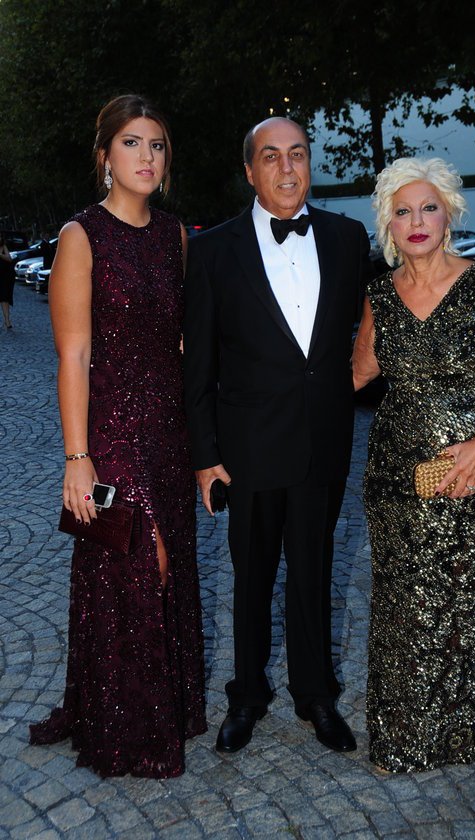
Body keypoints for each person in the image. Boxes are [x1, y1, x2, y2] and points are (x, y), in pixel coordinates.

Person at [29, 94, 206, 777]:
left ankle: (162, 706)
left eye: (156, 144)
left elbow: (180, 340)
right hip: (111, 429)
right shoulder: (81, 235)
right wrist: (77, 457)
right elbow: (73, 354)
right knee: (137, 560)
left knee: (171, 563)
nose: (146, 156)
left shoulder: (174, 235)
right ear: (104, 155)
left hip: (169, 429)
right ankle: (124, 723)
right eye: (132, 143)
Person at [183, 117, 372, 754]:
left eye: (297, 154)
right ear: (250, 171)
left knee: (314, 571)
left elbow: (375, 324)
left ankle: (316, 694)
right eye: (271, 156)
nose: (287, 168)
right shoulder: (213, 250)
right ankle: (247, 694)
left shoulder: (347, 237)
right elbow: (198, 366)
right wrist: (205, 456)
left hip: (324, 439)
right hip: (249, 446)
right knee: (252, 576)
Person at [352, 157, 475, 773]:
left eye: (428, 207)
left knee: (466, 599)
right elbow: (355, 374)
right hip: (397, 476)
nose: (417, 220)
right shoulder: (379, 295)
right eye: (403, 211)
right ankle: (403, 739)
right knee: (403, 602)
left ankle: (468, 732)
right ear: (389, 225)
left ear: (448, 213)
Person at [0, 233, 16, 329]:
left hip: (3, 277)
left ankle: (7, 320)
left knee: (4, 299)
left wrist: (0, 255)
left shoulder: (3, 247)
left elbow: (9, 259)